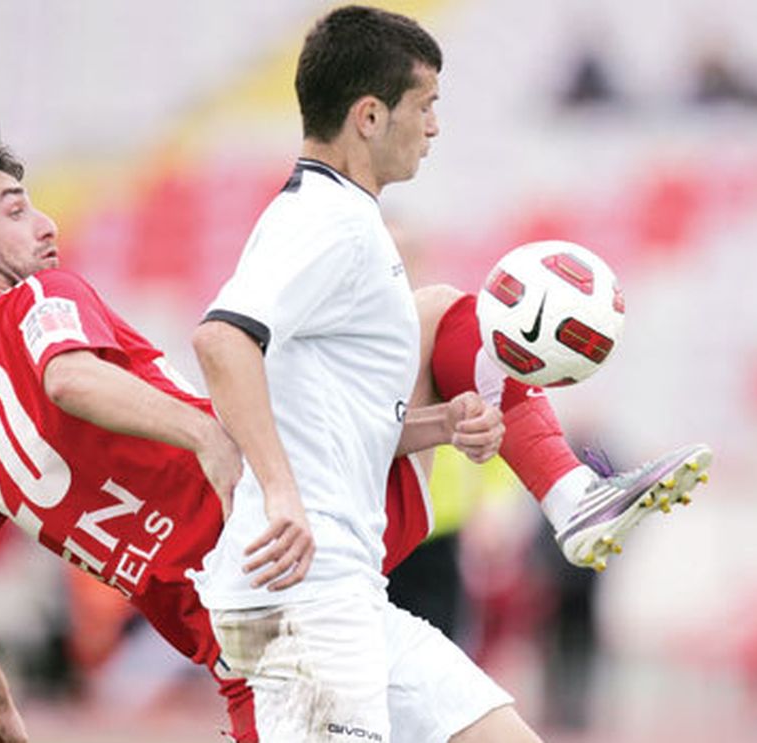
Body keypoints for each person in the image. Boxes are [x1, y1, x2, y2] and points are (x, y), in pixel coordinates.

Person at [191, 6, 711, 742]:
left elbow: (331, 414)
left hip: (351, 594)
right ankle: (571, 495)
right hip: (305, 604)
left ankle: (573, 495)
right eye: (426, 105)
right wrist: (278, 488)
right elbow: (220, 339)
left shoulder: (345, 219)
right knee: (443, 309)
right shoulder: (325, 220)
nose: (435, 126)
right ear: (370, 116)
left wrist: (442, 422)